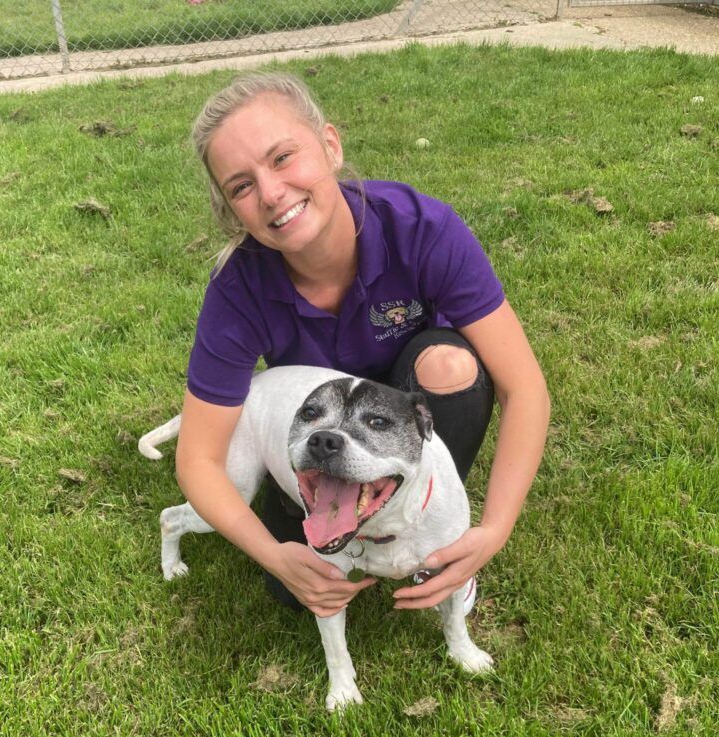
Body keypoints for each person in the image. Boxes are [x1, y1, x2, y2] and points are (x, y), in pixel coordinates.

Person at [176, 71, 550, 620]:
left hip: (409, 401)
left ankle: (431, 524)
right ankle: (338, 514)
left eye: (282, 158)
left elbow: (526, 389)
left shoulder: (421, 229)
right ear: (232, 209)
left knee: (451, 364)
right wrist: (275, 556)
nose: (271, 193)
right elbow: (198, 459)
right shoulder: (238, 287)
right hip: (322, 436)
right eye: (241, 186)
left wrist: (493, 529)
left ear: (330, 145)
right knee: (293, 595)